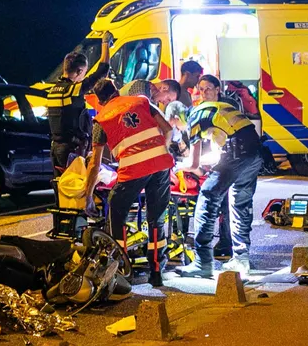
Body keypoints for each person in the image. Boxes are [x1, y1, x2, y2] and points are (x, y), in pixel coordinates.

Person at [83, 79, 175, 287]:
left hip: (133, 168)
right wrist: (162, 151)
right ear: (116, 90)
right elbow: (168, 129)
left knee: (115, 212)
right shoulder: (142, 101)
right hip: (161, 165)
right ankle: (157, 272)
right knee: (156, 219)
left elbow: (94, 163)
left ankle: (121, 273)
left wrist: (88, 195)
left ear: (100, 100)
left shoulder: (102, 119)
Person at [175, 74, 262, 278]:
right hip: (254, 153)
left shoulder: (197, 113)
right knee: (239, 204)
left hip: (236, 154)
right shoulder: (223, 108)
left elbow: (194, 163)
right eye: (201, 89)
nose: (204, 93)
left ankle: (202, 262)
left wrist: (179, 167)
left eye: (207, 89)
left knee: (207, 198)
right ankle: (242, 259)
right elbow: (221, 148)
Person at [46, 32, 112, 177]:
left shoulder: (53, 91)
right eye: (84, 73)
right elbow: (102, 71)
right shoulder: (72, 90)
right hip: (71, 150)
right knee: (75, 189)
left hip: (56, 149)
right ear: (79, 71)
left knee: (62, 189)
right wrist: (105, 43)